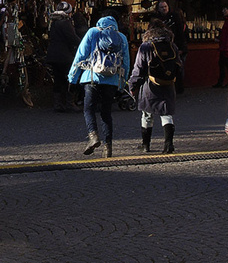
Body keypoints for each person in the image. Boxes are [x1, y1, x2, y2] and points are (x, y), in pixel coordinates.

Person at [70, 16, 130, 157]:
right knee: (106, 113)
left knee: (88, 109)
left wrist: (72, 77)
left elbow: (81, 54)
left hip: (92, 78)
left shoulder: (93, 32)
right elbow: (125, 62)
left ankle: (93, 137)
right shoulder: (121, 37)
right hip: (111, 80)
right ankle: (108, 147)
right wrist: (122, 83)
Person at [130, 22, 182, 153]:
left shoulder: (146, 47)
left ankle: (145, 145)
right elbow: (179, 66)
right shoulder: (172, 46)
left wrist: (133, 85)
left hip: (150, 85)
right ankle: (168, 144)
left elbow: (138, 69)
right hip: (168, 84)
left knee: (147, 114)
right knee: (166, 114)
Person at [45, 7, 79, 113]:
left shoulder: (53, 23)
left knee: (58, 79)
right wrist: (82, 44)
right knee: (71, 78)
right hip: (65, 56)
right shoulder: (65, 23)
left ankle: (58, 104)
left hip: (53, 55)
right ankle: (70, 103)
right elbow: (72, 38)